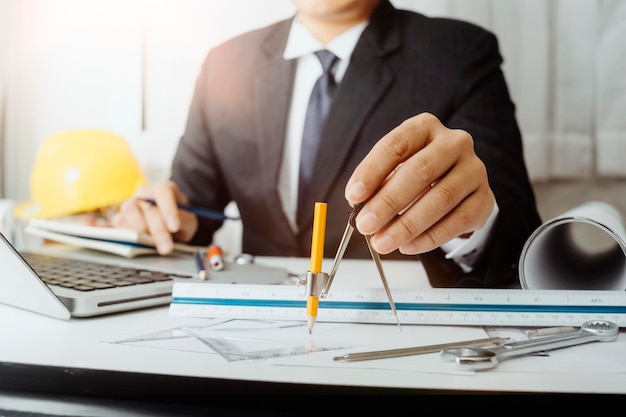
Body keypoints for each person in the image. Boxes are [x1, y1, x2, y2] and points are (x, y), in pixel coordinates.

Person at [112, 0, 542, 288]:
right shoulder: (225, 62)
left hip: (401, 335)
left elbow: (516, 236)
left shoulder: (459, 52)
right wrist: (162, 219)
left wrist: (468, 221)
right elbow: (192, 209)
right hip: (257, 322)